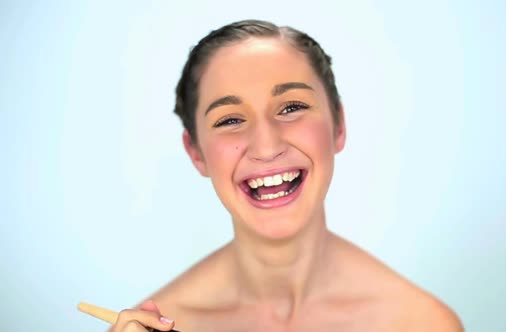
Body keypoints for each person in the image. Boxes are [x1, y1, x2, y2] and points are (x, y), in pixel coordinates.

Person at [109, 19, 463, 332]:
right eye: (230, 120)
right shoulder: (156, 326)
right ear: (196, 153)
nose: (266, 146)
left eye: (291, 108)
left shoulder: (422, 324)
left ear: (339, 126)